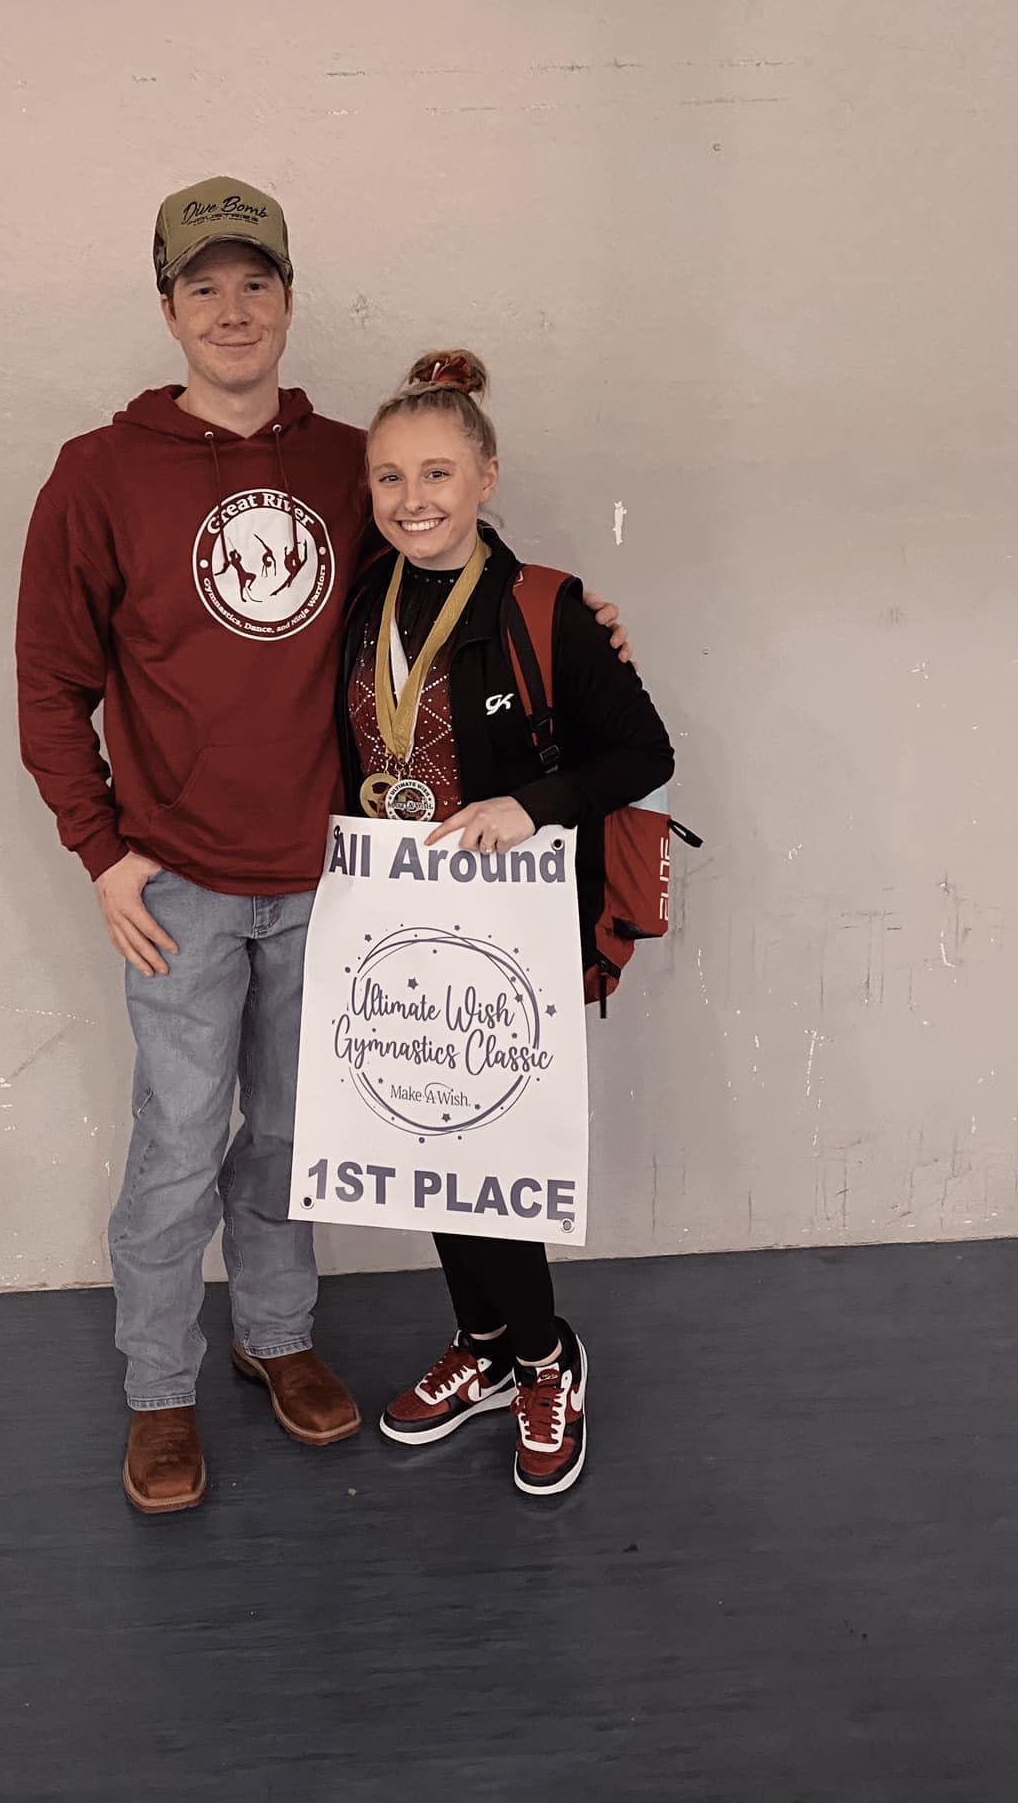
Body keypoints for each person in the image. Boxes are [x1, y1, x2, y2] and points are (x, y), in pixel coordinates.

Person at [15, 182, 632, 1514]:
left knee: (295, 1140)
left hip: (339, 880)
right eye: (203, 289)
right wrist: (102, 853)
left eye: (255, 285)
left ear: (289, 299)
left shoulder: (350, 462)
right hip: (174, 878)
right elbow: (48, 684)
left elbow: (452, 572)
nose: (232, 312)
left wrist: (584, 637)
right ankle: (160, 1392)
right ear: (168, 307)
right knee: (179, 1141)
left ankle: (278, 1341)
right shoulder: (97, 476)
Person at [334, 349, 675, 1498]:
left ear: (487, 475)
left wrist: (529, 804)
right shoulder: (355, 601)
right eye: (388, 477)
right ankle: (480, 1346)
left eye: (437, 472)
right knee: (430, 1146)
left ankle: (542, 1355)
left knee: (487, 1150)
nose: (412, 499)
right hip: (393, 917)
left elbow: (644, 752)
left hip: (507, 923)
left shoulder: (549, 607)